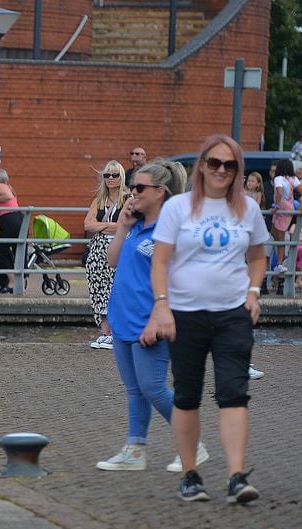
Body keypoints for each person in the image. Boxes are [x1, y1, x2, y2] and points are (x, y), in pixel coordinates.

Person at [141, 134, 269, 504]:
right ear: (201, 166)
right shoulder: (179, 208)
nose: (221, 171)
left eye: (230, 165)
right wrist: (161, 305)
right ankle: (190, 475)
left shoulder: (246, 209)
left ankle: (236, 476)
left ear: (238, 171)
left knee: (234, 394)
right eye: (214, 163)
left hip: (232, 314)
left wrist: (254, 293)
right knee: (186, 395)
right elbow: (160, 261)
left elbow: (258, 257)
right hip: (185, 314)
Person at [98, 158, 210, 472]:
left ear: (160, 192)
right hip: (122, 317)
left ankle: (194, 444)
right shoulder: (136, 225)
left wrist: (156, 320)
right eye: (131, 187)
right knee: (135, 390)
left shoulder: (170, 230)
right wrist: (122, 226)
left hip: (150, 320)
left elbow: (177, 281)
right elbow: (113, 261)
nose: (132, 192)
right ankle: (135, 449)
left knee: (154, 388)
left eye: (139, 187)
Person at [84, 161, 128, 349]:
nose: (111, 179)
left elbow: (125, 225)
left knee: (114, 289)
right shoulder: (99, 200)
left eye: (115, 175)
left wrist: (101, 226)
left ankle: (116, 332)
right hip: (97, 250)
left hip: (118, 248)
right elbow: (87, 225)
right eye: (107, 175)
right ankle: (105, 332)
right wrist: (110, 227)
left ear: (121, 177)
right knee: (98, 288)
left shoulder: (128, 199)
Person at [0, 168, 22, 293]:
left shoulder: (0, 186)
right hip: (14, 219)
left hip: (9, 220)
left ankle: (12, 281)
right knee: (10, 250)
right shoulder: (8, 186)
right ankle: (7, 280)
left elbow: (7, 196)